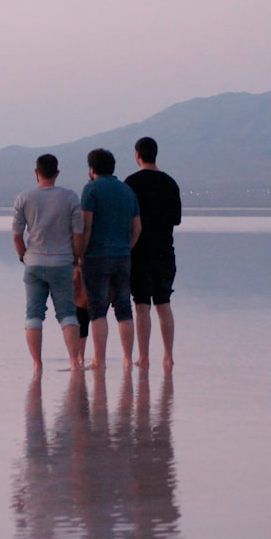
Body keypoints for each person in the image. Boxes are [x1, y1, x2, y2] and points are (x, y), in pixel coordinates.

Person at [13, 154, 84, 373]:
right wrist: (75, 258)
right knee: (67, 313)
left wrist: (23, 256)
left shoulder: (24, 198)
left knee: (33, 314)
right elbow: (78, 233)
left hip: (33, 263)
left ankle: (37, 364)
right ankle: (74, 361)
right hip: (62, 262)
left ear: (37, 173)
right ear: (57, 173)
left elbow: (17, 235)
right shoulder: (70, 197)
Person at [79, 148, 141, 369]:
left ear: (92, 169)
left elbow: (86, 226)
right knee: (124, 308)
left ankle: (99, 360)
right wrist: (127, 247)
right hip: (123, 255)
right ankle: (127, 359)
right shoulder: (127, 191)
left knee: (97, 309)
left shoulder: (90, 190)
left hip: (96, 256)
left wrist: (80, 254)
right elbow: (137, 227)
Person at [125, 137, 182, 369]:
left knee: (141, 305)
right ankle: (168, 356)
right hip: (165, 252)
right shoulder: (170, 183)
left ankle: (144, 356)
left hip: (139, 253)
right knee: (164, 303)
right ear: (155, 154)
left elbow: (128, 219)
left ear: (137, 155)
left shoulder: (131, 182)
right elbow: (176, 219)